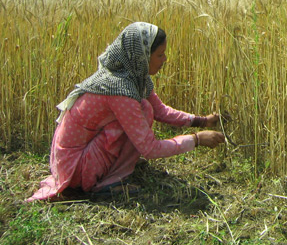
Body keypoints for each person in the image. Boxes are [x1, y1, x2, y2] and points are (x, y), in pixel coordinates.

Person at [28, 22, 225, 201]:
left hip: (76, 156)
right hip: (75, 167)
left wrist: (202, 121)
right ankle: (105, 184)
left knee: (145, 108)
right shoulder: (119, 90)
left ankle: (114, 170)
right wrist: (196, 139)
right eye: (160, 54)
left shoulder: (131, 75)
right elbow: (149, 148)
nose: (165, 59)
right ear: (142, 56)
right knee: (142, 110)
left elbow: (160, 111)